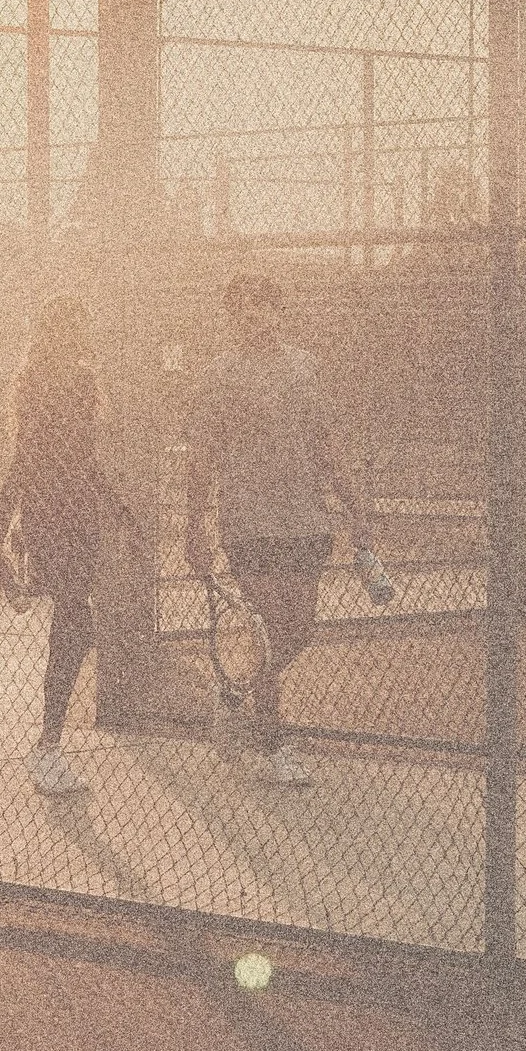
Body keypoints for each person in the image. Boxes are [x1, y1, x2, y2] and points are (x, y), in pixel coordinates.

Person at [184, 269, 392, 786]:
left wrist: (357, 513)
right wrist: (195, 526)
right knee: (266, 627)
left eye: (263, 304)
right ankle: (274, 742)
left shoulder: (304, 368)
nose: (254, 315)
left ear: (279, 311)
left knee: (298, 631)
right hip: (248, 522)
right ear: (230, 318)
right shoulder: (218, 378)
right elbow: (203, 458)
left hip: (305, 519)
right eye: (242, 307)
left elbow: (326, 447)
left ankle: (236, 694)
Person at [0, 295, 128, 797]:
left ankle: (49, 744)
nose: (81, 335)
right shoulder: (53, 384)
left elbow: (82, 458)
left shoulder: (67, 382)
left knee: (73, 620)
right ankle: (47, 746)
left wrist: (115, 505)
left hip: (69, 511)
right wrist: (0, 528)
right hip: (55, 514)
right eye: (74, 326)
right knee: (73, 620)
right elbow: (29, 459)